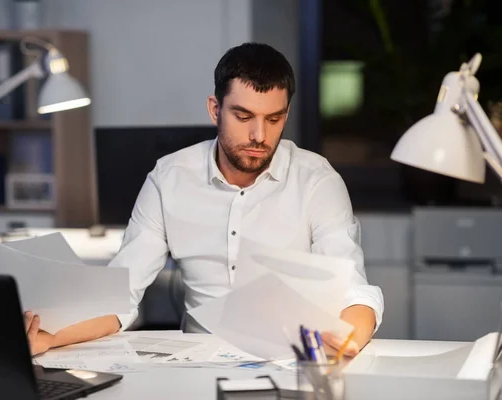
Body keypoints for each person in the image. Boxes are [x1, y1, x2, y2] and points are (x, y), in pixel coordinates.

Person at [24, 42, 384, 357]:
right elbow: (121, 294)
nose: (259, 135)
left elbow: (352, 290)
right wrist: (51, 337)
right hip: (198, 364)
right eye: (243, 116)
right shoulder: (169, 178)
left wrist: (347, 338)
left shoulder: (317, 181)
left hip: (291, 360)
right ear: (215, 109)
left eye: (274, 119)